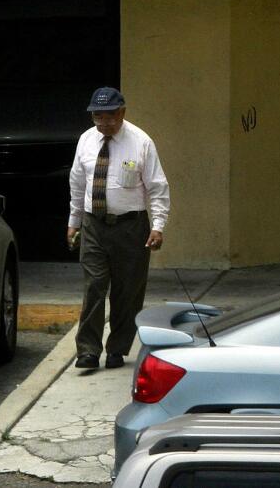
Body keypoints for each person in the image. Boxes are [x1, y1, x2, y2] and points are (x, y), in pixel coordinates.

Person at [67, 87, 169, 369]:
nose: (103, 123)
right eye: (97, 117)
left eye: (109, 116)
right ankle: (87, 350)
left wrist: (158, 226)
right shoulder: (86, 141)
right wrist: (73, 222)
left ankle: (118, 348)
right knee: (94, 286)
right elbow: (77, 184)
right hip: (94, 225)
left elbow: (157, 187)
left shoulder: (141, 142)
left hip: (130, 227)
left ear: (122, 112)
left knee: (127, 291)